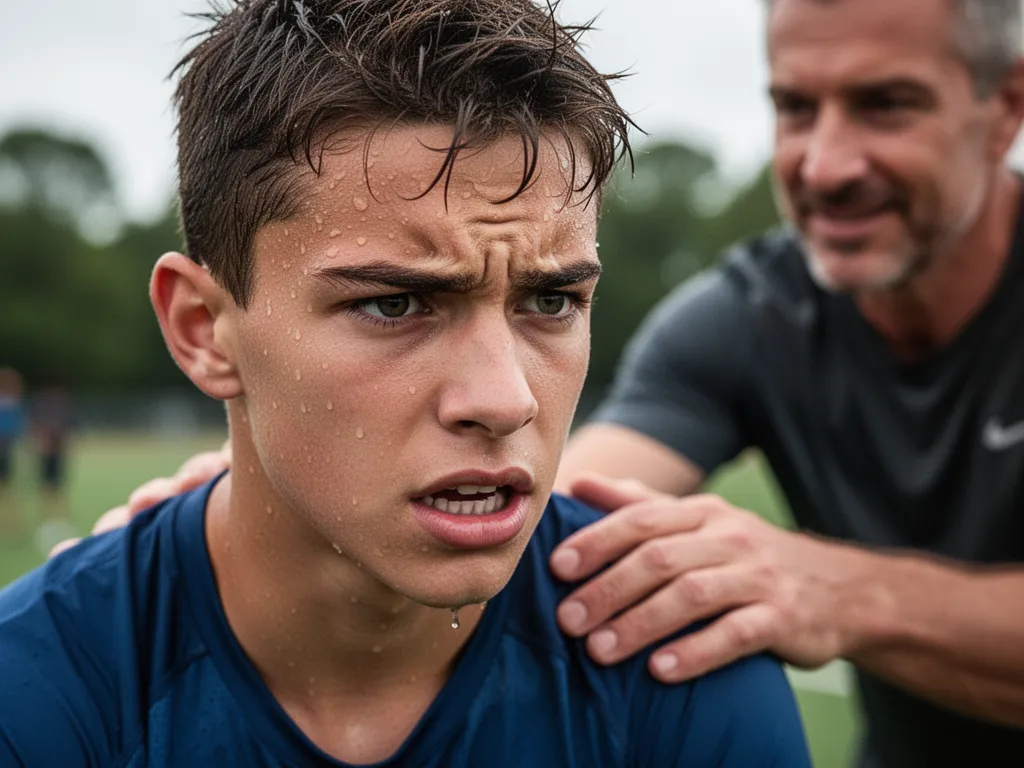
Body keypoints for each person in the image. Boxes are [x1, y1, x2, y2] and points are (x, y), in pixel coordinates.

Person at [104, 0, 1024, 765]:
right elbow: (568, 494)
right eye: (794, 108)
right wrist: (266, 504)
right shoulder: (751, 316)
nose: (825, 163)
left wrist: (845, 592)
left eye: (887, 106)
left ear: (1008, 108)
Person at [0, 1, 812, 766]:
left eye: (551, 299)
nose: (505, 399)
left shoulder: (676, 665)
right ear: (204, 331)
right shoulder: (34, 692)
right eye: (395, 304)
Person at [0, 367, 26, 536]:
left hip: (5, 450)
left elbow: (17, 429)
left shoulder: (13, 405)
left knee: (7, 488)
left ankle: (10, 524)